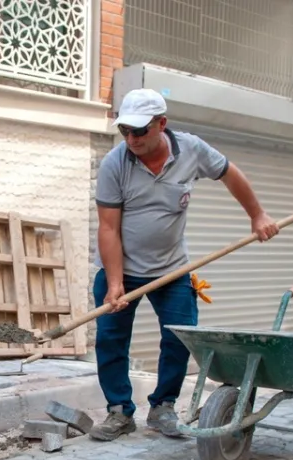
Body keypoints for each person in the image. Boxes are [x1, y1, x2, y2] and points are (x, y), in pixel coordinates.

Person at [89, 88, 279, 441]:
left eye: (139, 131)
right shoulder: (115, 164)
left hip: (172, 269)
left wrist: (257, 215)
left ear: (162, 124)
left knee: (180, 338)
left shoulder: (191, 149)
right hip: (120, 267)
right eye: (124, 131)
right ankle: (119, 411)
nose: (131, 139)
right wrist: (115, 283)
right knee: (111, 340)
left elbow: (230, 174)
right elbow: (108, 227)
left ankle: (163, 407)